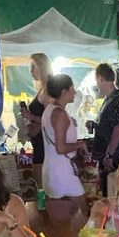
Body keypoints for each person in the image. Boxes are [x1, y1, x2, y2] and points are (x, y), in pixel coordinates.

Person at [41, 73, 88, 215]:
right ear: (64, 92)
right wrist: (79, 145)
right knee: (83, 212)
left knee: (63, 215)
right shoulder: (59, 114)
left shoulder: (50, 110)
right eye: (72, 88)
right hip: (61, 170)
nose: (74, 92)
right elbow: (60, 147)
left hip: (53, 167)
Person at [92, 63, 119, 196]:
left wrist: (109, 155)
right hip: (107, 156)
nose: (96, 84)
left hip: (112, 158)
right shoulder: (110, 100)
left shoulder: (118, 101)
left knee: (111, 192)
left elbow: (118, 130)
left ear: (101, 78)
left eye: (96, 80)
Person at [19, 52, 51, 189]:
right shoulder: (43, 89)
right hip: (39, 143)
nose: (30, 71)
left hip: (44, 145)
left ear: (41, 67)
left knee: (41, 185)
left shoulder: (48, 90)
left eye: (33, 66)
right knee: (39, 182)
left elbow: (52, 119)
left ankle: (45, 209)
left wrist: (30, 117)